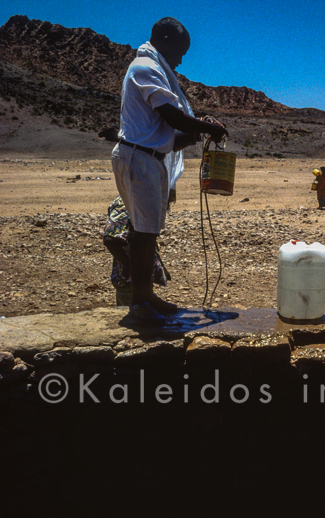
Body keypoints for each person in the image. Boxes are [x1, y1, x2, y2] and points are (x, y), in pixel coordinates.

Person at [111, 17, 228, 323]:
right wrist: (207, 127)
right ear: (164, 40)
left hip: (145, 157)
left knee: (146, 232)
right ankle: (140, 302)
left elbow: (163, 139)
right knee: (143, 234)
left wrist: (197, 133)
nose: (179, 60)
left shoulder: (154, 71)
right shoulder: (145, 68)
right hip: (139, 160)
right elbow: (171, 117)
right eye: (179, 51)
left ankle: (145, 296)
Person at [103, 195, 170, 307]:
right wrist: (134, 268)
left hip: (139, 281)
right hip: (128, 282)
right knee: (137, 317)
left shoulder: (143, 199)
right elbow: (109, 239)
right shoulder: (130, 201)